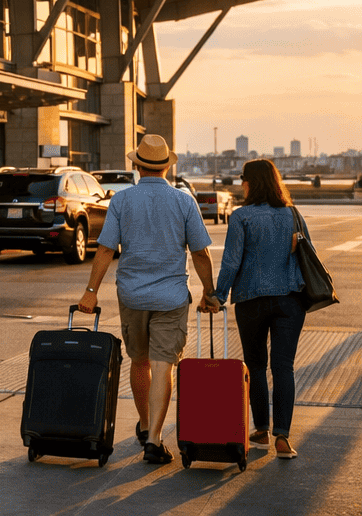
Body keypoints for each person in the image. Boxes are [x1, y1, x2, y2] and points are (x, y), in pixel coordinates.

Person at [77, 134, 219, 465]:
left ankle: (143, 423)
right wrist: (209, 292)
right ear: (168, 166)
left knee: (139, 361)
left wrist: (91, 291)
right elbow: (200, 253)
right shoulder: (184, 201)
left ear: (136, 165)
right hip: (171, 297)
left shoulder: (121, 202)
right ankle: (154, 438)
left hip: (132, 294)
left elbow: (105, 249)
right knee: (163, 365)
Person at [208, 159, 306, 459]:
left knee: (257, 366)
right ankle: (282, 437)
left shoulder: (242, 217)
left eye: (242, 179)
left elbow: (231, 262)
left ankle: (262, 428)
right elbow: (305, 253)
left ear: (251, 183)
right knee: (284, 367)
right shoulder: (292, 214)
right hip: (290, 299)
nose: (240, 184)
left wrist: (218, 295)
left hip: (251, 299)